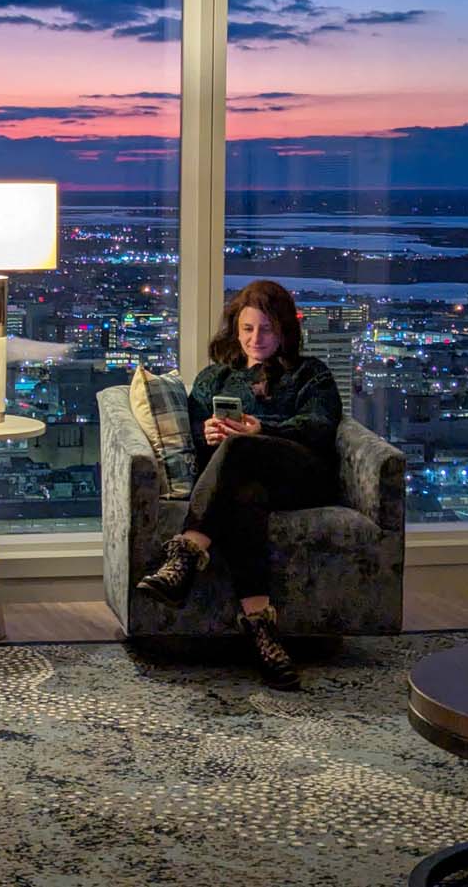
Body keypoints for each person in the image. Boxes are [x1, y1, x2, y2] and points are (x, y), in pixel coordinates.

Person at [135, 279, 342, 690]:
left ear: (284, 330)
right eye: (247, 329)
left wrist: (262, 428)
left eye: (266, 329)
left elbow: (320, 427)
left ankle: (187, 552)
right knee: (244, 496)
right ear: (235, 329)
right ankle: (263, 632)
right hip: (245, 487)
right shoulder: (217, 377)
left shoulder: (310, 374)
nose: (255, 338)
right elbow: (192, 429)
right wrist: (207, 432)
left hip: (301, 476)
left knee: (243, 446)